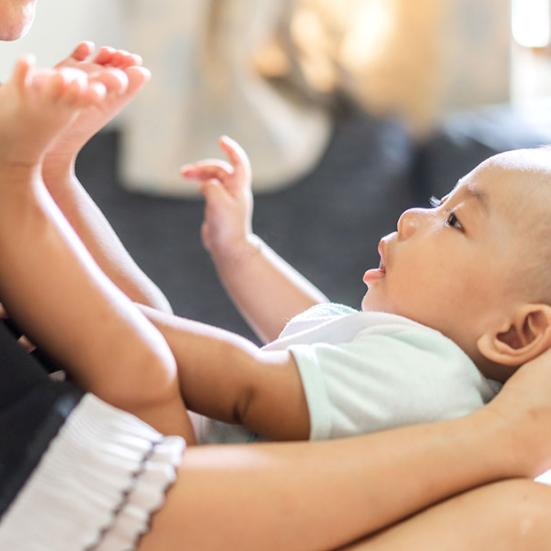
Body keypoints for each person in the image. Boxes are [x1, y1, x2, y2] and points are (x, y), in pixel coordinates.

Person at [2, 3, 551, 550]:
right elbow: (311, 321)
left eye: (454, 220)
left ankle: (16, 189)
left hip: (209, 497)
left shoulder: (426, 379)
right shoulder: (410, 362)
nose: (412, 217)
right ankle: (56, 174)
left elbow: (248, 384)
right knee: (147, 323)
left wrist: (93, 313)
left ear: (515, 333)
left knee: (140, 357)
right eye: (436, 200)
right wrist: (242, 249)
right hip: (199, 471)